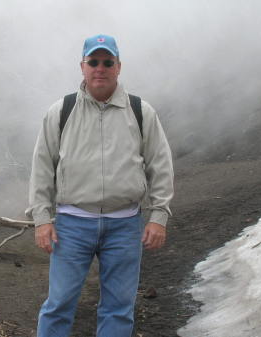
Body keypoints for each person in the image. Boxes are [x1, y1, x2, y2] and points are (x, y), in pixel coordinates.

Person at [26, 34, 174, 337]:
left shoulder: (140, 111)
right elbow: (42, 168)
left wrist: (159, 217)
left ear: (118, 67)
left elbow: (160, 165)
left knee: (119, 309)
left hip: (125, 225)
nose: (100, 68)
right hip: (71, 225)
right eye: (93, 61)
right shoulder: (61, 111)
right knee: (59, 304)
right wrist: (42, 220)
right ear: (82, 66)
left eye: (108, 62)